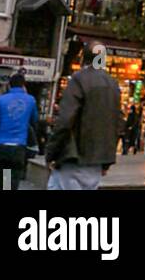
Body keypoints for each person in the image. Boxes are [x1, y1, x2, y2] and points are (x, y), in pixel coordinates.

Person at [45, 41, 122, 191]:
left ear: (83, 57)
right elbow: (117, 124)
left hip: (73, 156)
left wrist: (52, 153)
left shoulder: (79, 80)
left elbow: (65, 120)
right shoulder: (113, 84)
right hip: (97, 161)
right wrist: (106, 162)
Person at [0, 73, 38, 189]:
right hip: (19, 147)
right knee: (13, 181)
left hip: (0, 145)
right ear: (24, 86)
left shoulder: (0, 100)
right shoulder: (31, 100)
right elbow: (34, 121)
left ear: (9, 85)